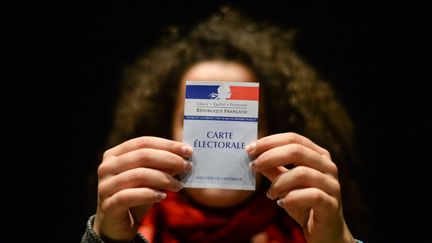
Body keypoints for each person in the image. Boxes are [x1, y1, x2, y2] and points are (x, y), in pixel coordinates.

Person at [81, 5, 367, 243]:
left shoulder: (315, 228)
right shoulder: (129, 225)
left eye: (247, 119)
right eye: (194, 119)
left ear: (275, 132)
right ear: (166, 131)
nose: (219, 136)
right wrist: (107, 240)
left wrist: (339, 240)